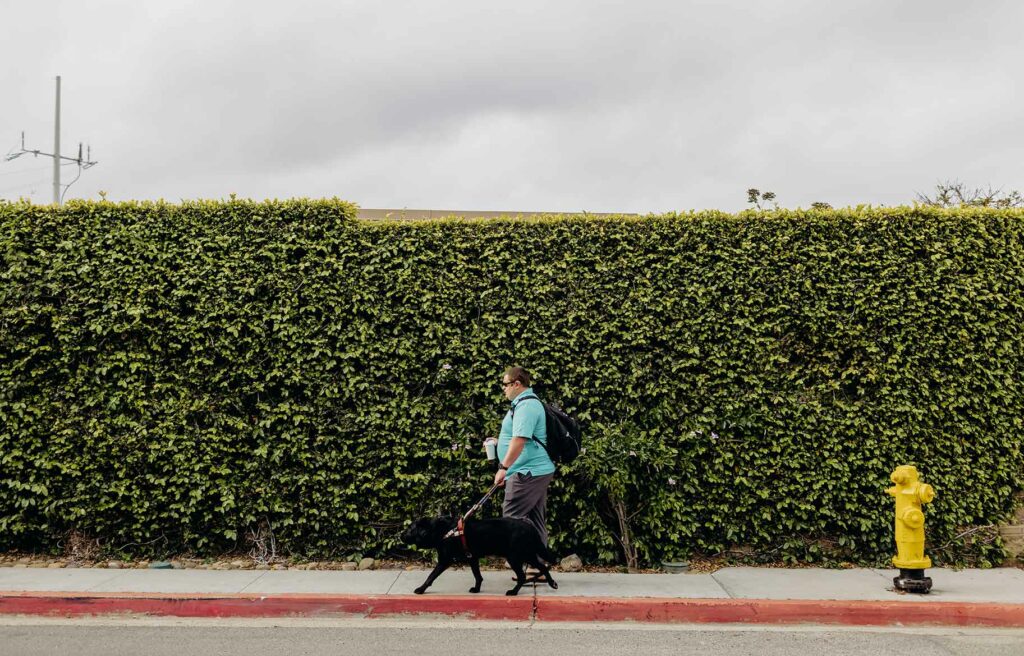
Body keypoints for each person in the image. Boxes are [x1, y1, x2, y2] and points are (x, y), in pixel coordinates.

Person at [493, 366, 555, 551]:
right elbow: (518, 436)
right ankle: (539, 564)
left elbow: (520, 440)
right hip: (535, 470)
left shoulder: (526, 406)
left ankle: (524, 561)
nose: (503, 388)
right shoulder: (526, 403)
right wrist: (499, 441)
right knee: (535, 519)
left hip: (527, 472)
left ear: (517, 384)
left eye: (505, 384)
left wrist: (503, 467)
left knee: (512, 519)